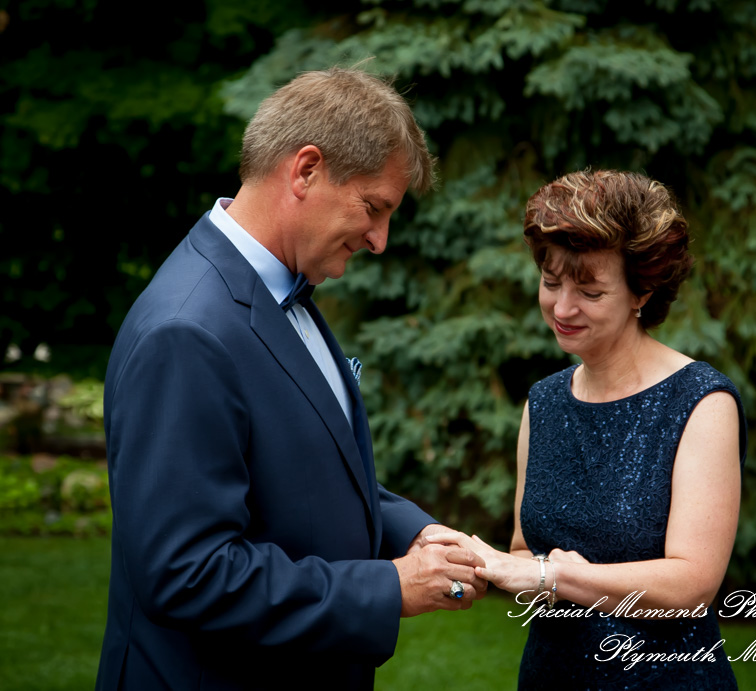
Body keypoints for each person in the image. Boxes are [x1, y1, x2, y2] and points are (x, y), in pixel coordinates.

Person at [95, 66, 486, 691]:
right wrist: (388, 587)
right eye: (374, 208)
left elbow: (308, 472)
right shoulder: (187, 331)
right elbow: (186, 573)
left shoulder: (279, 290)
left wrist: (418, 531)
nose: (381, 240)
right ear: (305, 171)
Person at [438, 169, 747, 688]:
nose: (561, 308)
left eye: (590, 291)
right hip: (550, 675)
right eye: (551, 282)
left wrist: (553, 576)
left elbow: (692, 584)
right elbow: (523, 552)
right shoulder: (544, 401)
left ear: (641, 292)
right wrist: (482, 565)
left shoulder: (701, 401)